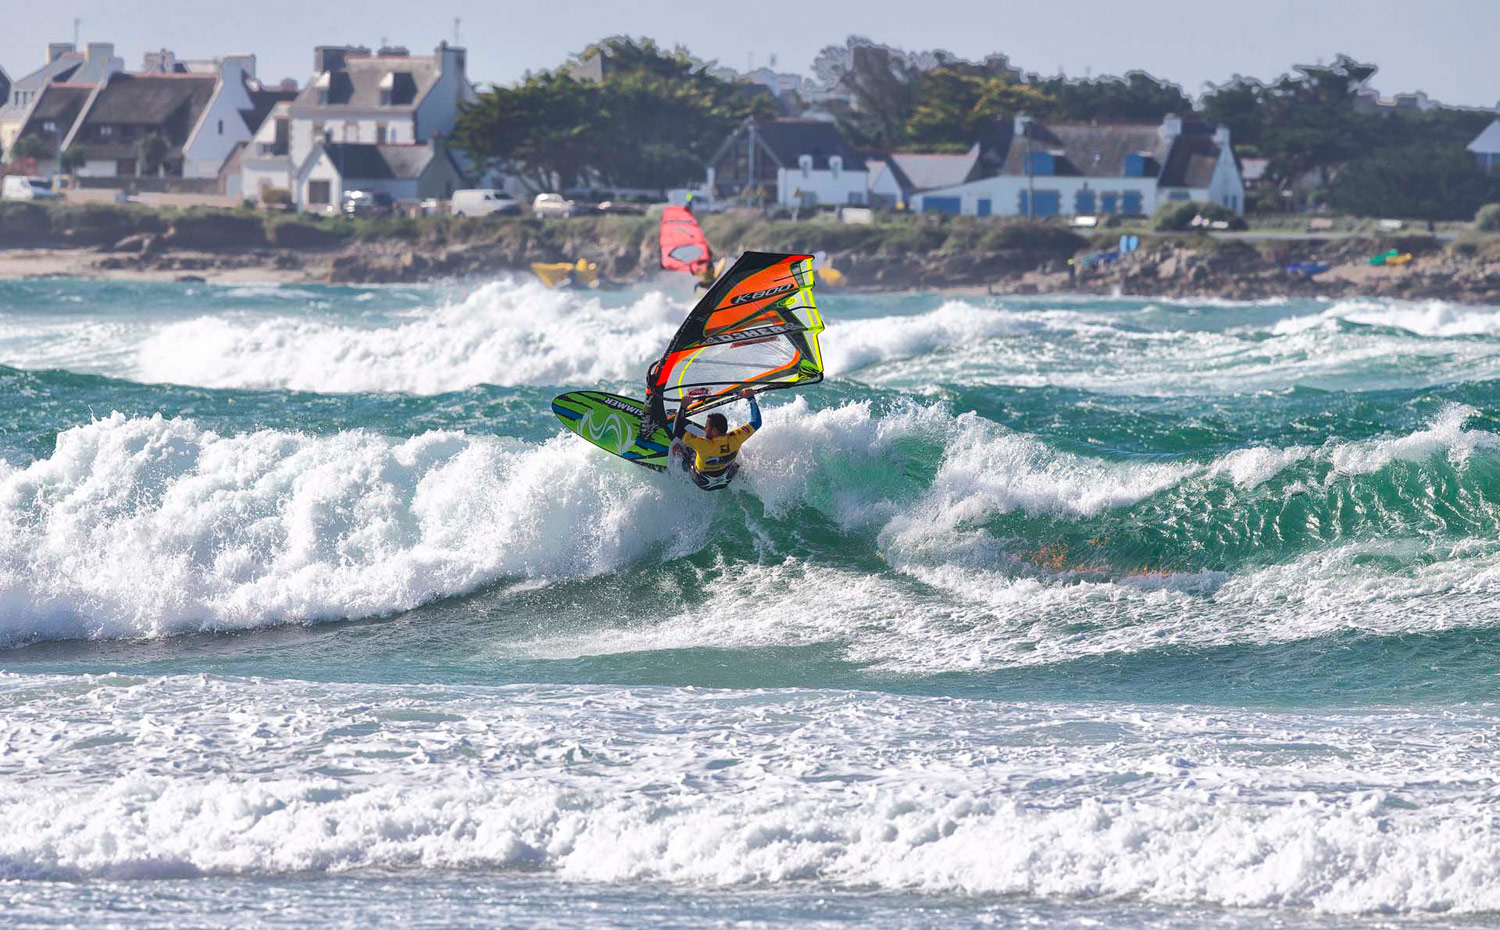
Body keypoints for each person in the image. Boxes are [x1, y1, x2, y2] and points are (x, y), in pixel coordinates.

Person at [671, 388, 760, 490]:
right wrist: (751, 398)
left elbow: (677, 430)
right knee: (735, 464)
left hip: (704, 482)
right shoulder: (736, 438)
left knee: (690, 458)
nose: (704, 428)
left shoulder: (702, 444)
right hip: (726, 479)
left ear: (714, 430)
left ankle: (683, 460)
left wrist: (683, 406)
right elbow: (756, 422)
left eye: (706, 426)